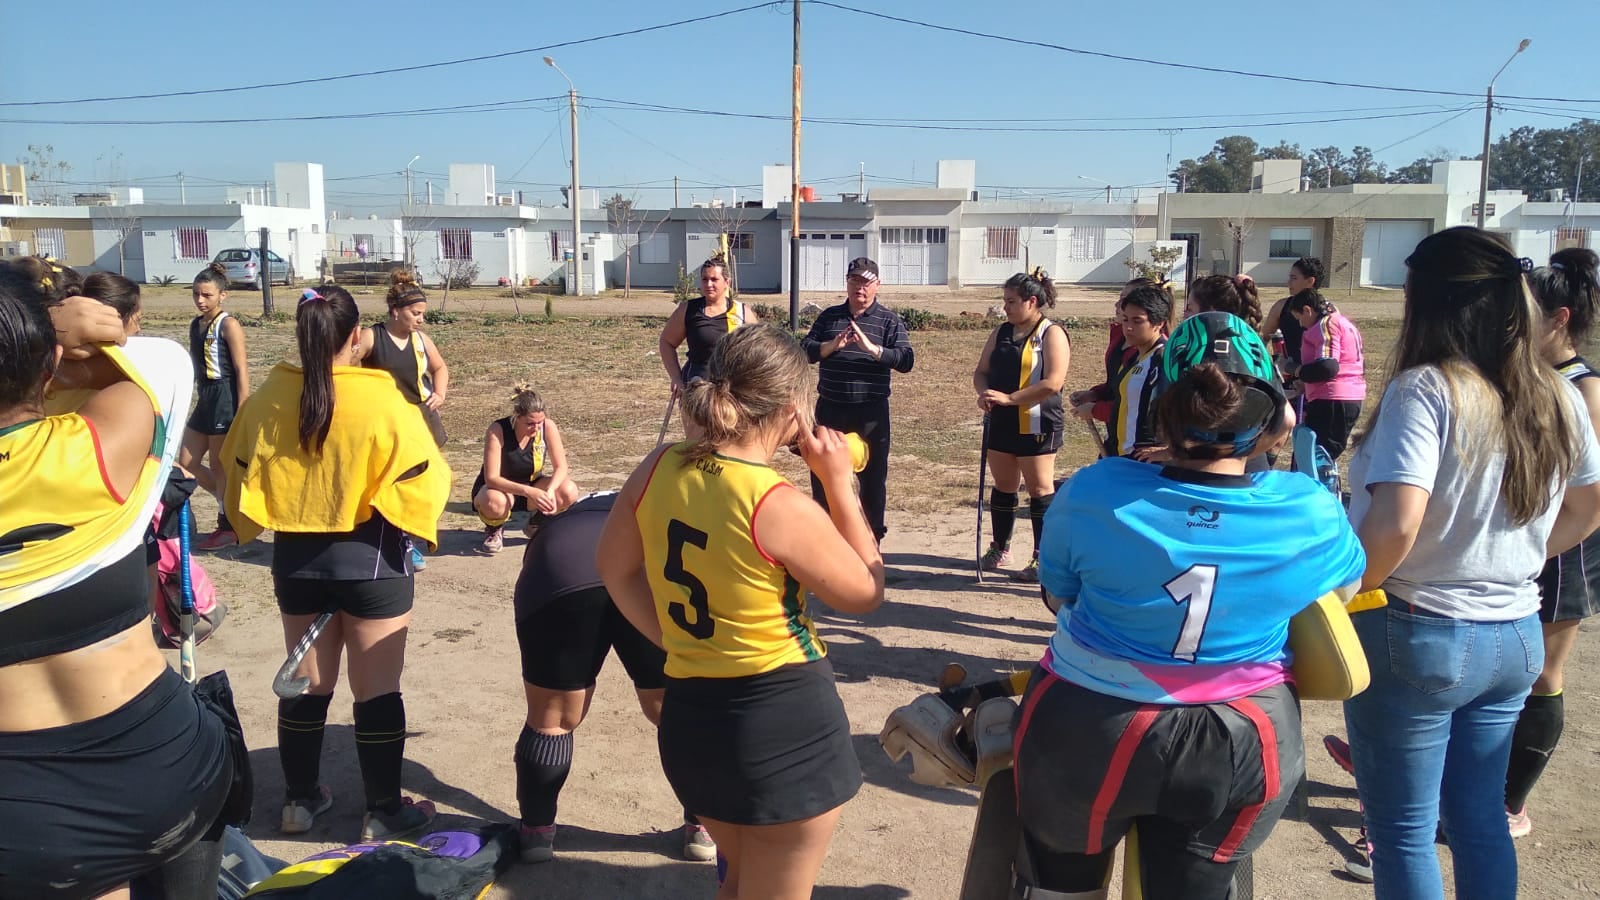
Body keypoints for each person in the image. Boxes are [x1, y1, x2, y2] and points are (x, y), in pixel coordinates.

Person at [1017, 311, 1365, 900]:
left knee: (1062, 889)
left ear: (1166, 408)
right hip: (1244, 733)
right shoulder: (1308, 508)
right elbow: (1341, 595)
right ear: (1271, 414)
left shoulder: (1094, 490)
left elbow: (1059, 595)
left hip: (1087, 724)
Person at [1342, 227, 1600, 899]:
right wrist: (1518, 558)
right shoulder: (1559, 392)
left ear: (1427, 301)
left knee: (1402, 828)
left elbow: (1398, 521)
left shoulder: (1425, 390)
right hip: (1514, 630)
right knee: (1480, 818)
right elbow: (1589, 504)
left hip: (1418, 627)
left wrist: (1346, 592)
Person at [597, 323, 884, 900]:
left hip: (691, 722)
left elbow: (614, 568)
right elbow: (866, 591)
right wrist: (838, 483)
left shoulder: (659, 465)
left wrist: (674, 639)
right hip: (781, 728)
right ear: (790, 408)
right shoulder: (776, 503)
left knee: (741, 883)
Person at [0, 264, 234, 900]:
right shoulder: (100, 451)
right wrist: (53, 338)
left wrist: (39, 341)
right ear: (48, 366)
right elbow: (158, 360)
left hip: (29, 819)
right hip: (169, 770)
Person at [222, 285, 452, 843]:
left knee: (307, 686)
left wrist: (256, 519)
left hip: (296, 563)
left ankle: (298, 804)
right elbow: (428, 474)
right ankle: (382, 810)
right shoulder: (384, 399)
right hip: (373, 563)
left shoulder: (269, 397)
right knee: (377, 692)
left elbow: (236, 467)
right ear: (357, 338)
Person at [511, 491, 715, 864]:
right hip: (645, 573)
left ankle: (536, 832)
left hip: (560, 570)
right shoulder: (657, 500)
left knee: (551, 719)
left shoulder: (568, 515)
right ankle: (701, 826)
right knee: (674, 710)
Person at [1505, 247, 1600, 838]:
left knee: (1543, 673)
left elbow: (1588, 496)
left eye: (1525, 318)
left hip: (1564, 546)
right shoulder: (1527, 376)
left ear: (1559, 319)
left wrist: (1537, 550)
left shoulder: (1583, 388)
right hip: (1523, 541)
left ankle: (1509, 804)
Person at [800, 257, 915, 543]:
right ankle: (827, 537)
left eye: (865, 282)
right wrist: (831, 346)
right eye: (854, 281)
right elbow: (805, 351)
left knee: (872, 479)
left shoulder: (888, 320)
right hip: (831, 409)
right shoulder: (830, 317)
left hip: (870, 412)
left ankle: (871, 538)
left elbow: (906, 360)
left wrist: (874, 350)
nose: (859, 288)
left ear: (877, 285)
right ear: (847, 284)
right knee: (823, 473)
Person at [972, 268, 1070, 583]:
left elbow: (1053, 383)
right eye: (1004, 301)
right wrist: (984, 394)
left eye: (1012, 301)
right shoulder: (1001, 332)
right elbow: (981, 371)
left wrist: (1011, 398)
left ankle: (1044, 557)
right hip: (1001, 420)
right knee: (1003, 486)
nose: (1006, 307)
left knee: (1040, 490)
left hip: (1038, 421)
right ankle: (1001, 547)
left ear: (1032, 301)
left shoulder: (1051, 333)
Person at [359, 270, 450, 571]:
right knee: (388, 481)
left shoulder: (421, 340)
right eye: (416, 313)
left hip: (420, 420)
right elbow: (347, 368)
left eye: (423, 313)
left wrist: (440, 392)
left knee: (421, 480)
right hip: (384, 423)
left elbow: (440, 368)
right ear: (396, 311)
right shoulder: (372, 337)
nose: (421, 319)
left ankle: (409, 537)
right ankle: (395, 539)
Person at [183, 262, 250, 552]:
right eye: (197, 294)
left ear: (223, 295)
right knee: (186, 461)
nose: (200, 300)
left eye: (207, 295)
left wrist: (243, 409)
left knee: (220, 465)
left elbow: (241, 369)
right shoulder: (195, 325)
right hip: (205, 396)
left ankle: (228, 524)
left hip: (225, 396)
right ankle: (229, 508)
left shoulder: (229, 324)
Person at [470, 384, 580, 554]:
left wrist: (550, 491)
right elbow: (491, 478)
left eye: (540, 422)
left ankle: (537, 522)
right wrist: (528, 491)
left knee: (569, 490)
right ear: (516, 417)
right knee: (495, 502)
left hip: (531, 487)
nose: (536, 428)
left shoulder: (547, 427)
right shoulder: (497, 430)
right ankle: (494, 529)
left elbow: (561, 467)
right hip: (498, 490)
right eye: (530, 423)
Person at [659, 256, 759, 438]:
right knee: (697, 448)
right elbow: (666, 342)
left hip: (731, 393)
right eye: (705, 279)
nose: (709, 284)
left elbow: (758, 353)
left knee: (727, 447)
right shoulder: (688, 309)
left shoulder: (742, 313)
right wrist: (676, 378)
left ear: (727, 282)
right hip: (696, 388)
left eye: (714, 279)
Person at [1071, 283, 1170, 459]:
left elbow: (1183, 412)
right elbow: (1123, 399)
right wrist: (1094, 395)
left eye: (1137, 321)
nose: (1128, 328)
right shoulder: (1135, 356)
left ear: (1158, 323)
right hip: (1119, 455)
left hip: (1143, 462)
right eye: (1125, 320)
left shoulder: (1164, 359)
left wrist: (1169, 451)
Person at [1283, 288, 1365, 461]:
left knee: (1314, 458)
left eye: (1299, 318)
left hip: (1332, 399)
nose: (1301, 325)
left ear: (1307, 310)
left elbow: (1328, 367)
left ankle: (1319, 487)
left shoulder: (1325, 324)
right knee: (1317, 455)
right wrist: (1306, 383)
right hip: (1349, 396)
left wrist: (1296, 370)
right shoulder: (1344, 322)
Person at [1260, 256, 1325, 365]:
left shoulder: (1328, 312)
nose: (1289, 282)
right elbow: (1262, 339)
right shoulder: (1281, 307)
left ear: (1310, 281)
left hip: (1316, 376)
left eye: (1294, 278)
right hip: (1288, 375)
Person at [1184, 273, 1263, 332]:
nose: (1184, 315)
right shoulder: (1252, 348)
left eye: (1189, 309)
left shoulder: (1193, 351)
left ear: (1212, 313)